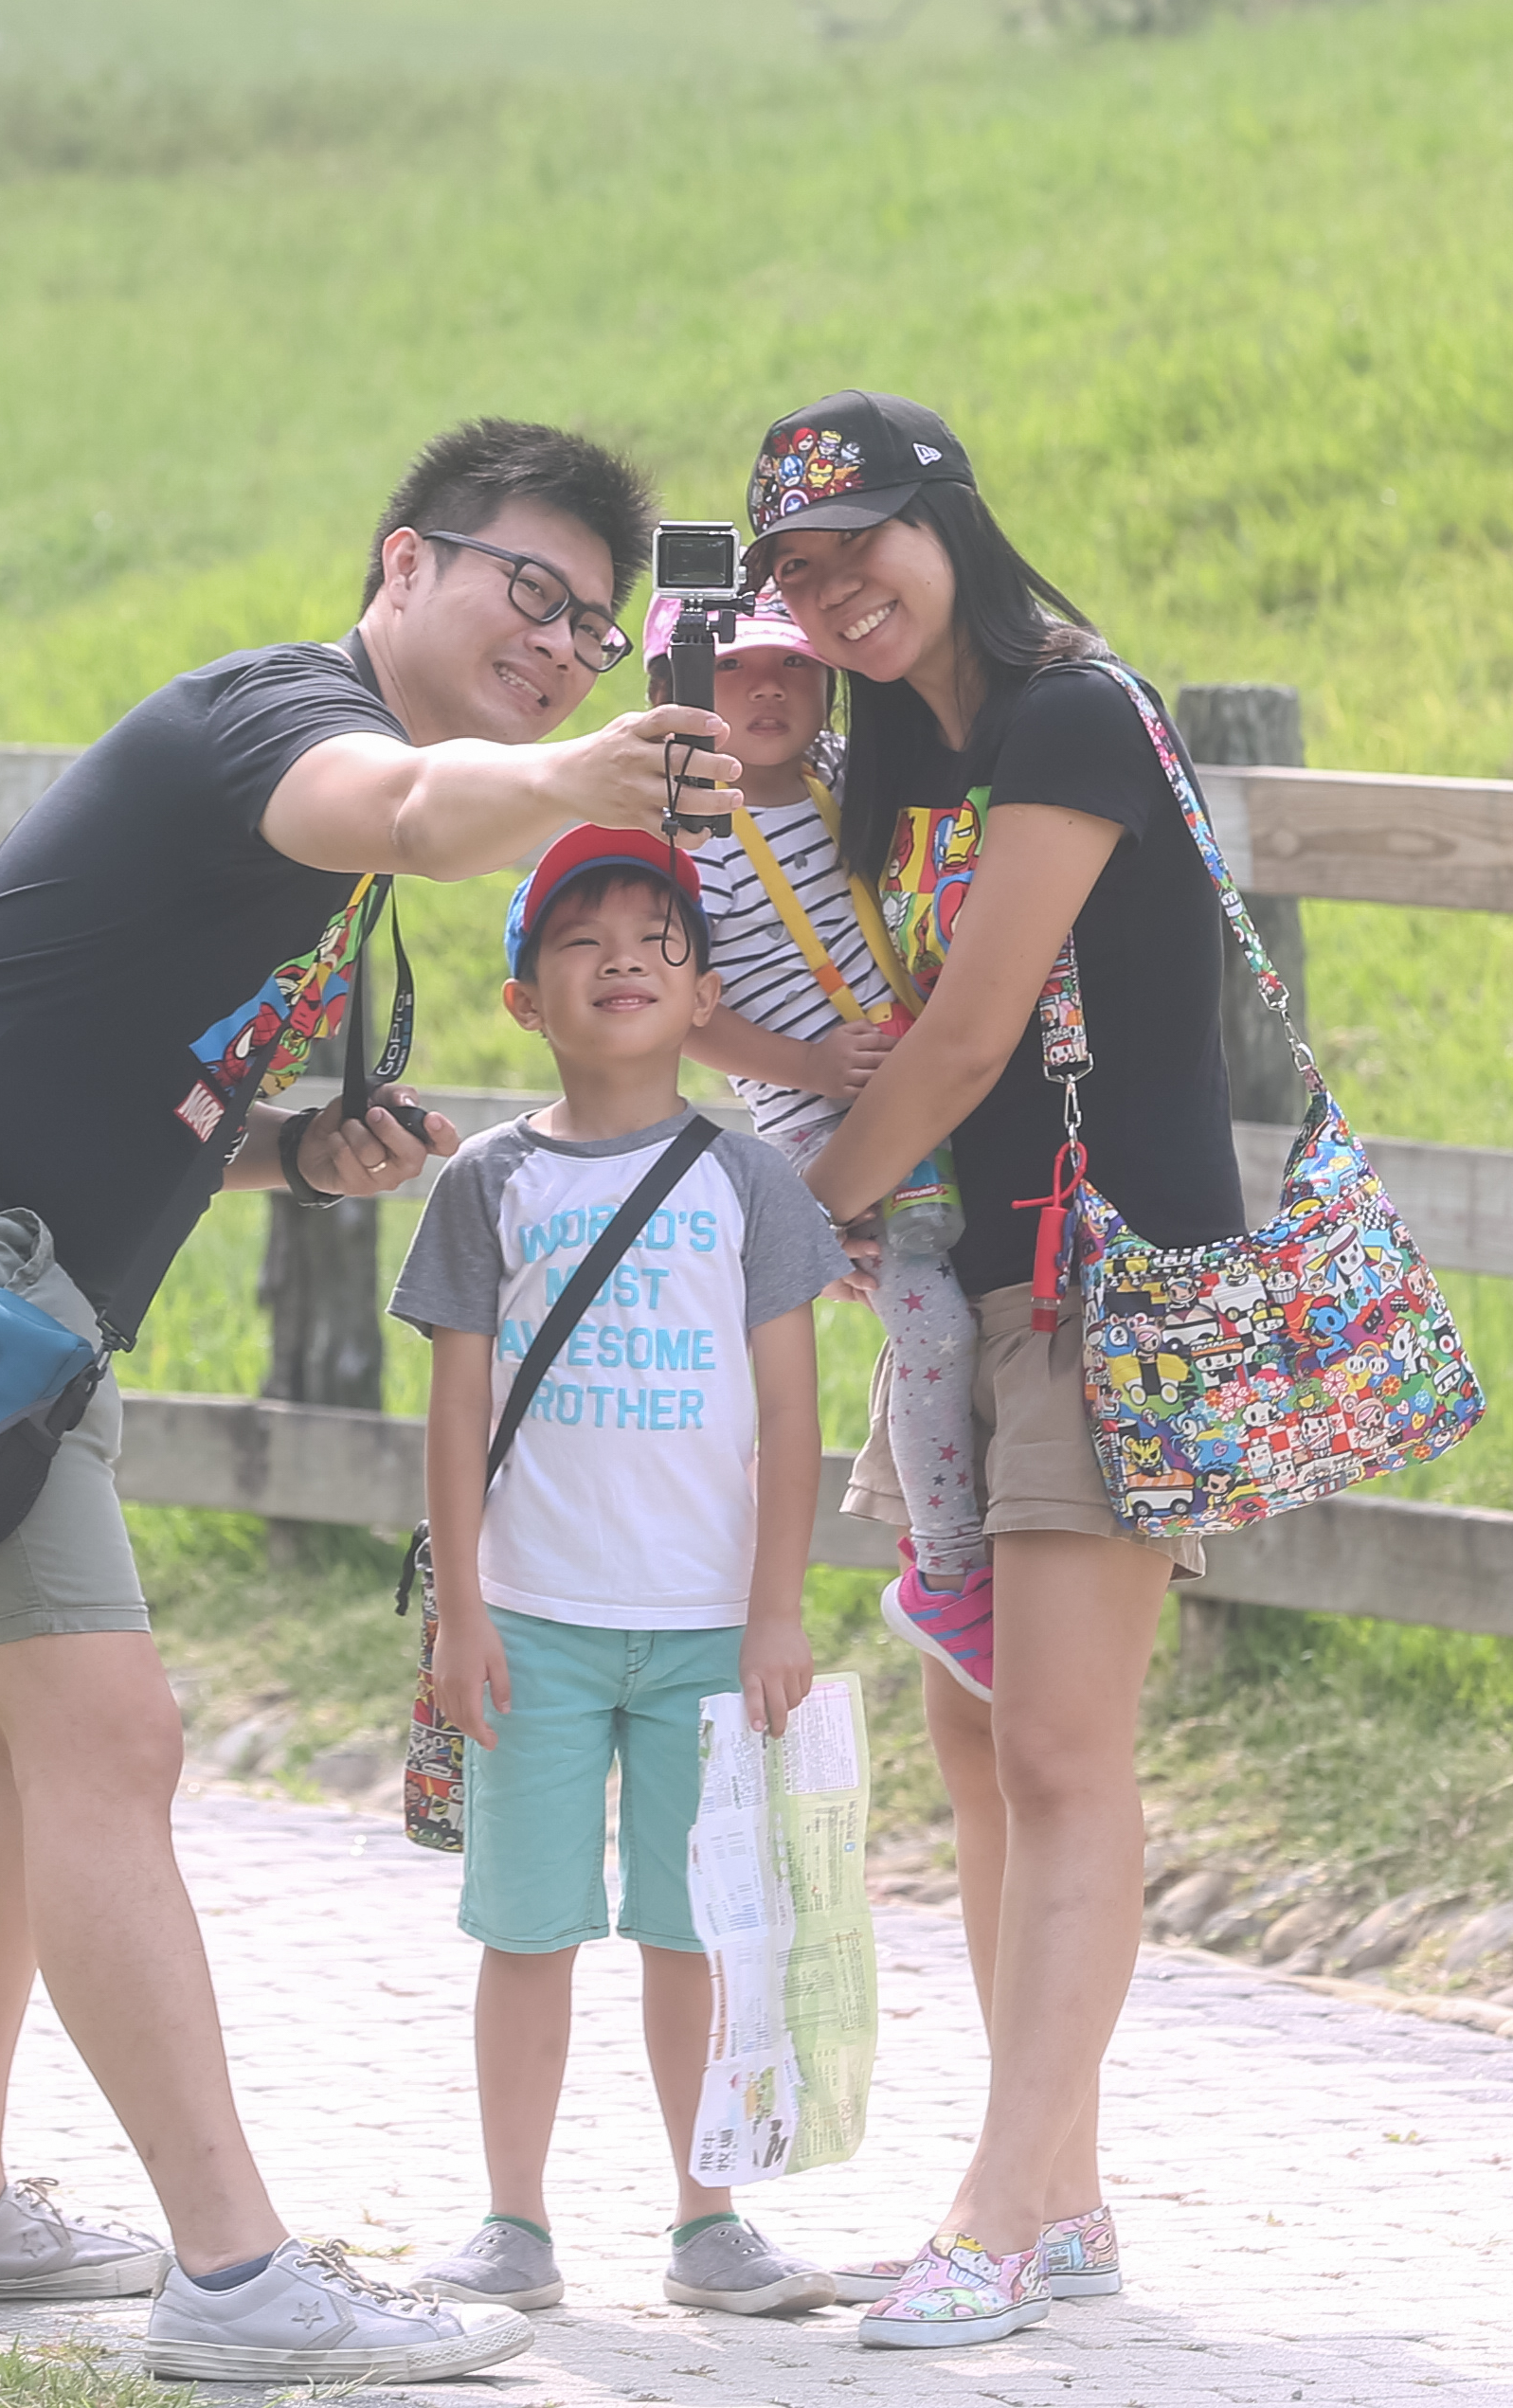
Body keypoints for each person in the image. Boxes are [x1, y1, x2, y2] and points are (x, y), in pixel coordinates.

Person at [0, 418, 724, 2388]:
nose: (558, 643)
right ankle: (237, 2273)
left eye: (595, 634)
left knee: (30, 1759)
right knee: (114, 1743)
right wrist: (568, 783)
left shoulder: (324, 831)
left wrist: (289, 1155)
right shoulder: (271, 724)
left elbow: (135, 1076)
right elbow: (421, 804)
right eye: (529, 592)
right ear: (401, 565)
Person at [747, 389, 1242, 2354]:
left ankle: (994, 2212)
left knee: (1057, 1749)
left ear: (949, 518)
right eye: (795, 564)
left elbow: (958, 1048)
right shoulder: (905, 752)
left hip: (1107, 1282)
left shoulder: (1063, 713)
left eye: (860, 540)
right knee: (977, 1750)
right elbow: (869, 1031)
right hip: (960, 1287)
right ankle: (1066, 2197)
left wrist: (790, 1222)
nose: (834, 586)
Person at [391, 827, 856, 2324]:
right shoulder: (487, 1182)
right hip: (531, 1624)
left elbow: (794, 1413)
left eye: (658, 937)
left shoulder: (750, 1181)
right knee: (526, 1928)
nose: (624, 960)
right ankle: (512, 2221)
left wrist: (776, 1606)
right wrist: (460, 1614)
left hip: (710, 1628)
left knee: (693, 1927)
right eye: (583, 940)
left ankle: (707, 2219)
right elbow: (456, 1410)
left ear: (703, 990)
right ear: (526, 997)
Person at [671, 592, 993, 1696]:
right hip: (824, 1109)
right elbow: (683, 1010)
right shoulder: (681, 834)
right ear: (677, 689)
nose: (769, 692)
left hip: (927, 1069)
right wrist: (810, 1069)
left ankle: (964, 1527)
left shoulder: (850, 770)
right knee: (932, 1324)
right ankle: (945, 1572)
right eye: (735, 671)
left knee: (970, 1301)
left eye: (796, 669)